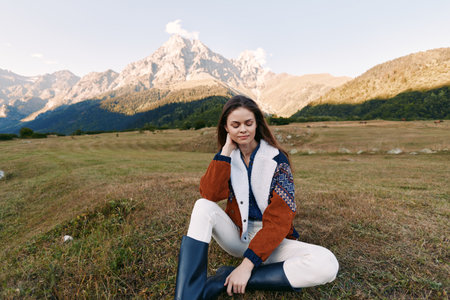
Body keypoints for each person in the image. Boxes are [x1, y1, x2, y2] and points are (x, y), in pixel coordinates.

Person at [174, 95, 339, 300]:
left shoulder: (277, 160)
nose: (242, 129)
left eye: (248, 123)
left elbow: (280, 220)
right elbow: (210, 194)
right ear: (226, 128)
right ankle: (187, 295)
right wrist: (225, 152)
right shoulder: (227, 157)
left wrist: (246, 266)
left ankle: (222, 281)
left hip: (272, 241)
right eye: (235, 125)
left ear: (257, 124)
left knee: (327, 263)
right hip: (238, 235)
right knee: (202, 206)